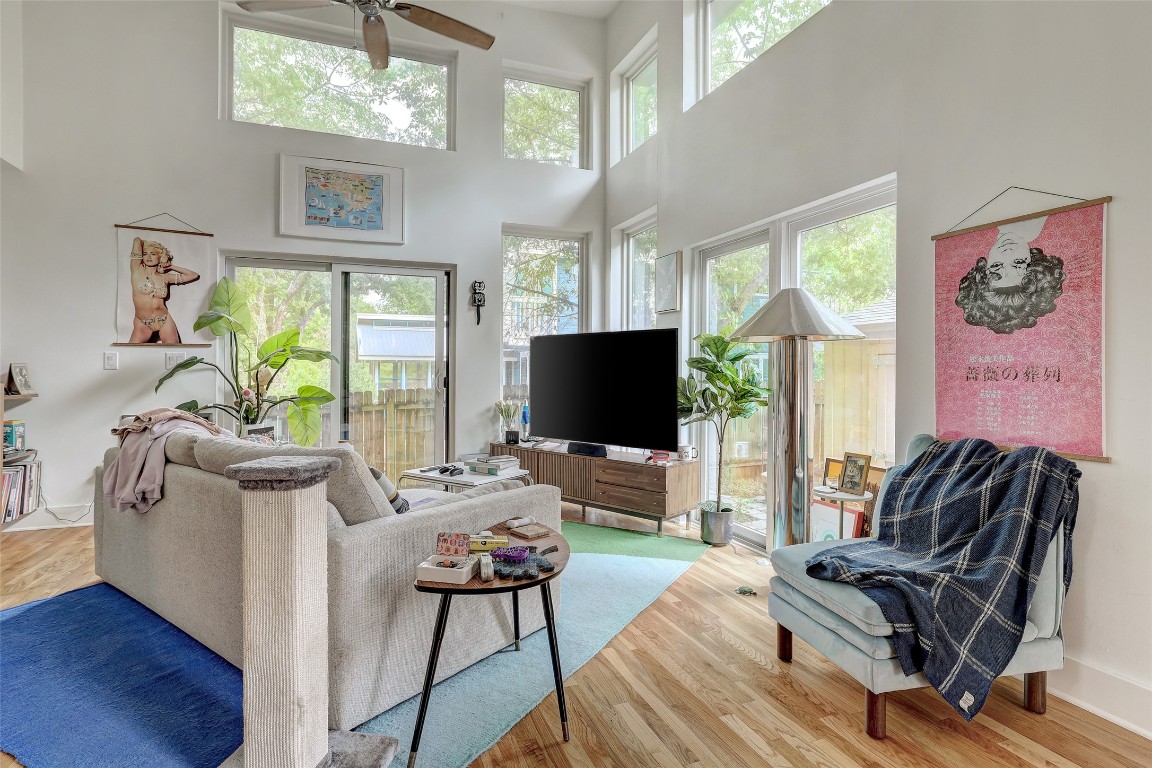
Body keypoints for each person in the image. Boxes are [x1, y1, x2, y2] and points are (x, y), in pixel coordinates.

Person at [955, 217, 1066, 334]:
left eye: (997, 265)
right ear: (1032, 263)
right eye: (1018, 262)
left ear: (985, 270)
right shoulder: (1032, 222)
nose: (1008, 252)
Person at [128, 237, 200, 343]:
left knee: (175, 354)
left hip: (164, 318)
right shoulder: (136, 270)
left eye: (153, 254)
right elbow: (137, 240)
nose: (148, 256)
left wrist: (171, 266)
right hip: (143, 321)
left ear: (160, 257)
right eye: (145, 254)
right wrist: (147, 243)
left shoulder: (165, 277)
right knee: (130, 353)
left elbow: (193, 275)